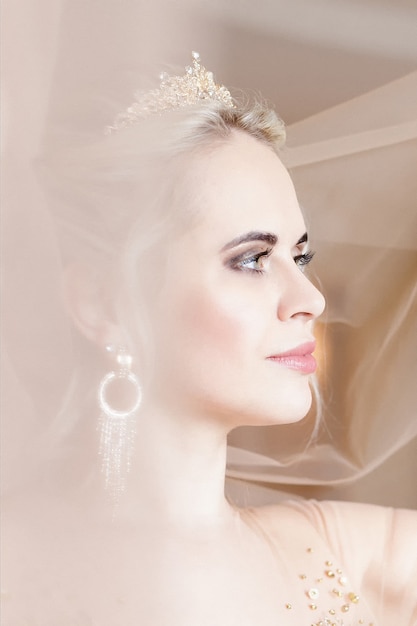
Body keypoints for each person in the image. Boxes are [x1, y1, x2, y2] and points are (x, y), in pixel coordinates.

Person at [2, 52, 416, 626]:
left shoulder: (350, 562)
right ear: (103, 304)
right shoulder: (13, 570)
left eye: (300, 256)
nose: (311, 300)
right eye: (251, 260)